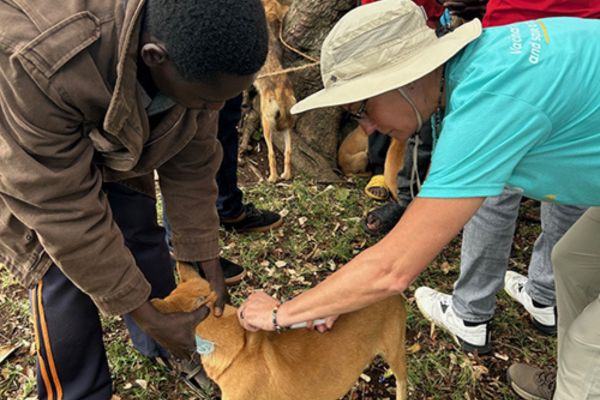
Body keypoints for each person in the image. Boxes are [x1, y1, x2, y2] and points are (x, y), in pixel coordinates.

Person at [237, 1, 600, 399]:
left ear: (405, 77)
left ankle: (583, 380)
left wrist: (281, 314)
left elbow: (393, 267)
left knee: (589, 343)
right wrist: (330, 300)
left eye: (362, 108)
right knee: (571, 261)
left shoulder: (488, 104)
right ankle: (577, 379)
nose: (369, 128)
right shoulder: (477, 69)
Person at [0, 0, 268, 398]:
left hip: (114, 117)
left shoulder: (198, 56)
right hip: (29, 147)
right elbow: (61, 208)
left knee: (139, 228)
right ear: (154, 56)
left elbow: (193, 159)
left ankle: (167, 345)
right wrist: (142, 312)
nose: (216, 109)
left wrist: (203, 256)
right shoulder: (40, 59)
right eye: (209, 99)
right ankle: (79, 391)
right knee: (58, 271)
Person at [415, 0, 598, 356]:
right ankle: (546, 296)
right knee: (567, 174)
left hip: (517, 34)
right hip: (582, 34)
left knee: (492, 189)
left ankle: (471, 314)